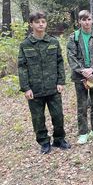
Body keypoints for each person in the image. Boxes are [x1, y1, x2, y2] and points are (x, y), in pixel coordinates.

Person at [18, 11, 71, 154]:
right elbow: (22, 67)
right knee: (38, 118)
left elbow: (60, 62)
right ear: (31, 24)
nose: (41, 24)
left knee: (58, 115)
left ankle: (59, 139)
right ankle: (44, 142)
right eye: (37, 22)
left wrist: (61, 81)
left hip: (53, 87)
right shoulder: (25, 44)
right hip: (35, 90)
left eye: (43, 21)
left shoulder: (53, 42)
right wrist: (26, 88)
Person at [67, 10, 93, 144]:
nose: (86, 22)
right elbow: (71, 56)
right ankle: (83, 133)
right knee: (82, 105)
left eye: (89, 19)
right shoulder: (73, 37)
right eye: (83, 20)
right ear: (79, 21)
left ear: (92, 20)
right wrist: (82, 70)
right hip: (80, 77)